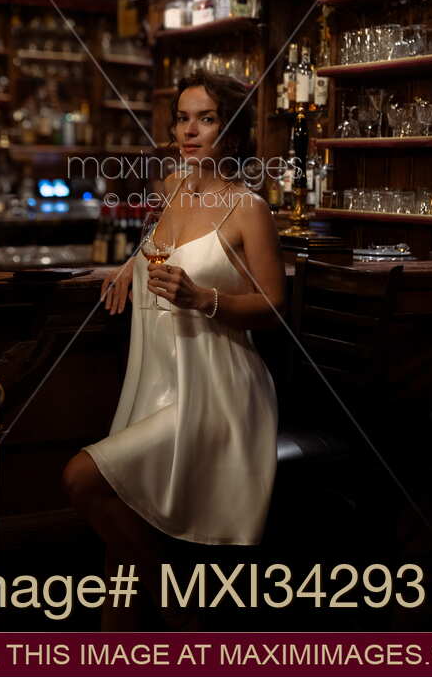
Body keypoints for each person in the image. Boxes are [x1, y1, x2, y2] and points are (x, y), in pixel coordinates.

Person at [62, 70, 286, 629]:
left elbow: (275, 308)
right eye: (183, 118)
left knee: (81, 477)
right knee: (118, 554)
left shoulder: (249, 208)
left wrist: (203, 297)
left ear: (229, 132)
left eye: (205, 118)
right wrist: (127, 266)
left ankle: (173, 602)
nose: (190, 130)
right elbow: (158, 250)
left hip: (216, 391)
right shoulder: (170, 189)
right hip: (157, 381)